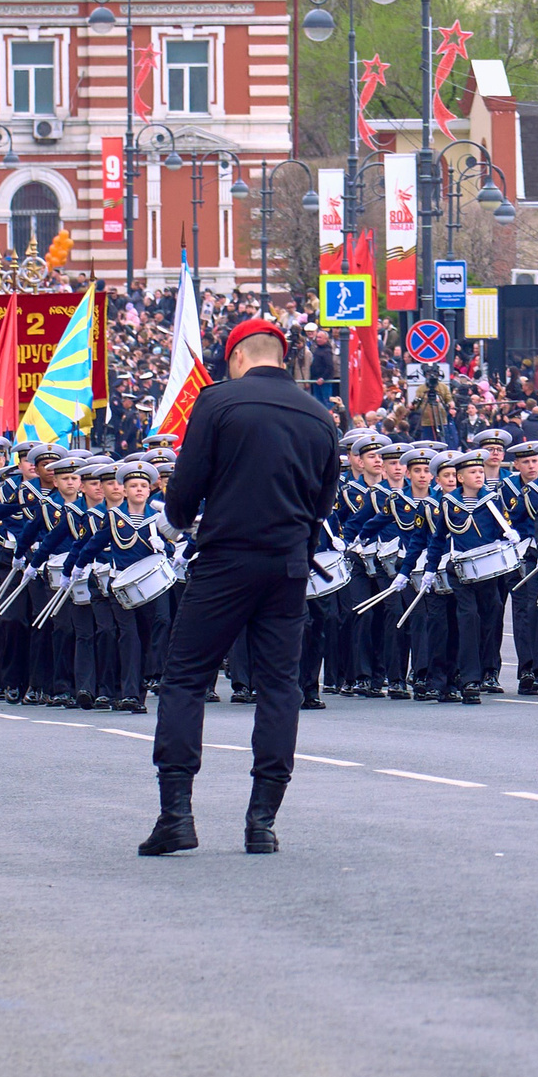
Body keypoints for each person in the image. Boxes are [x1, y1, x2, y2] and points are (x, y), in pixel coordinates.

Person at [141, 316, 339, 856]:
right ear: (281, 355)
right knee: (280, 689)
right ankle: (262, 822)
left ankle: (176, 815)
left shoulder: (217, 402)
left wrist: (179, 516)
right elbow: (323, 504)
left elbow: (186, 485)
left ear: (235, 358)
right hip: (288, 567)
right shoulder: (321, 416)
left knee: (184, 680)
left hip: (225, 560)